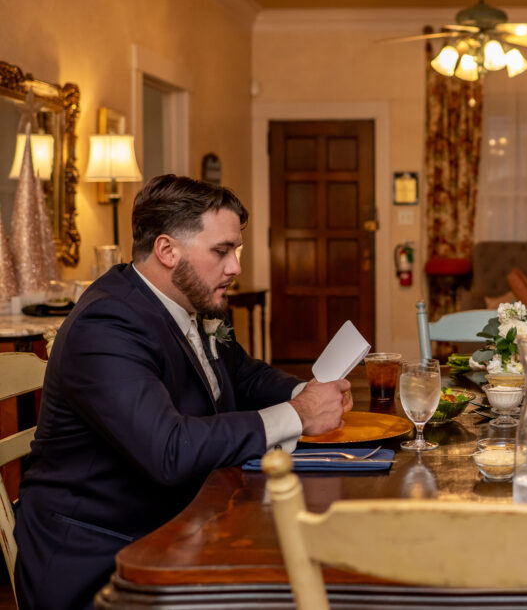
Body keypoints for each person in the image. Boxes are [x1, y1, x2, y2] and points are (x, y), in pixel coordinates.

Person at [13, 175, 354, 609]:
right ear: (167, 250)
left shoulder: (185, 302)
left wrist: (308, 390)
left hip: (184, 521)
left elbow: (242, 376)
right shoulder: (107, 325)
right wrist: (299, 414)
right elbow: (168, 450)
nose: (235, 267)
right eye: (221, 251)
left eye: (236, 250)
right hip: (105, 558)